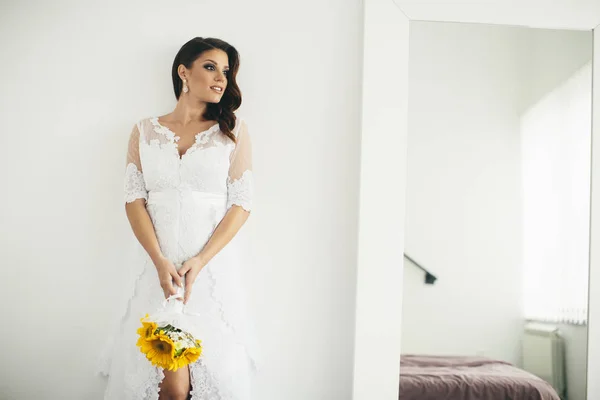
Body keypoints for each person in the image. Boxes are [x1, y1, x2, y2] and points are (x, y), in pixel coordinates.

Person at [100, 37, 257, 400]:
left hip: (208, 274)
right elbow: (134, 199)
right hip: (159, 270)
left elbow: (242, 204)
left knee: (204, 382)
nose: (222, 78)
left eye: (227, 71)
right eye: (210, 66)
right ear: (183, 72)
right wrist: (158, 261)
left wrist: (200, 261)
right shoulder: (145, 130)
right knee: (167, 386)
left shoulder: (233, 133)